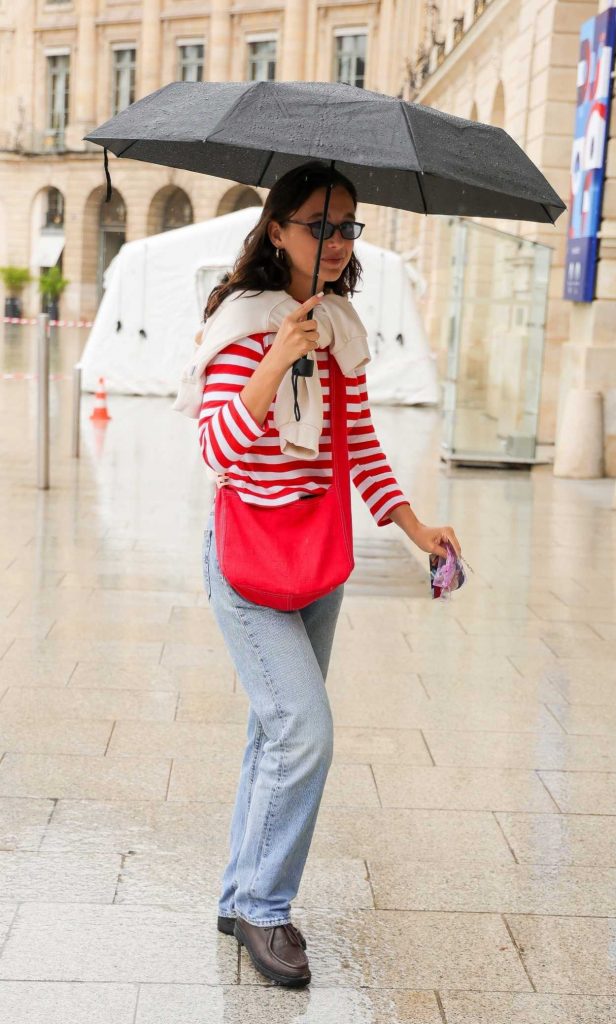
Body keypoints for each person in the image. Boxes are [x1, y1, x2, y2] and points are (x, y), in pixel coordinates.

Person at [197, 161, 461, 987]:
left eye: (349, 226)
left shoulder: (342, 328)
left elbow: (359, 449)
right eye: (321, 224)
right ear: (277, 229)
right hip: (246, 557)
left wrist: (418, 527)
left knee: (272, 732)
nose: (340, 241)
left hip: (317, 558)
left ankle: (238, 890)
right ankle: (264, 911)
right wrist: (276, 359)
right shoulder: (239, 325)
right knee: (304, 730)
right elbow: (217, 452)